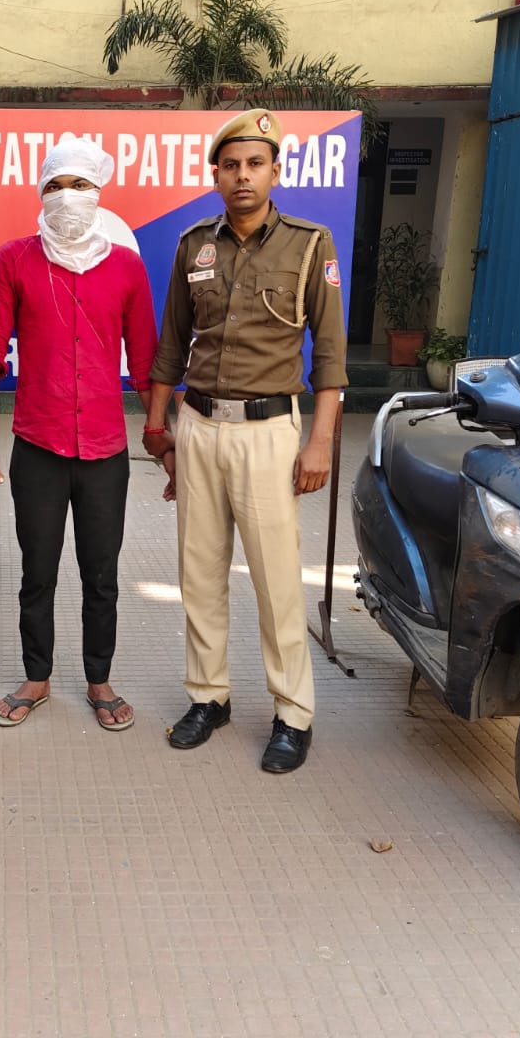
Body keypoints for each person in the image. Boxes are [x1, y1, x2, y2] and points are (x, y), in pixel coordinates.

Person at [140, 108, 348, 774]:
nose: (242, 176)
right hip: (200, 428)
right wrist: (158, 427)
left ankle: (292, 713)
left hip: (269, 435)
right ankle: (208, 697)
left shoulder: (310, 244)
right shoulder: (193, 244)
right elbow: (171, 345)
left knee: (276, 581)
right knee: (199, 575)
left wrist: (320, 443)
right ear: (216, 175)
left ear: (275, 171)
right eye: (230, 165)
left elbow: (332, 357)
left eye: (255, 163)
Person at [0, 138, 158, 730]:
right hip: (38, 446)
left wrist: (164, 435)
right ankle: (37, 676)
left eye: (80, 185)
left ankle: (99, 680)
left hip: (105, 450)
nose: (68, 196)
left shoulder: (125, 266)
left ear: (98, 192)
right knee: (37, 571)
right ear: (40, 194)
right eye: (55, 186)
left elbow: (145, 361)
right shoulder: (14, 260)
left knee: (102, 574)